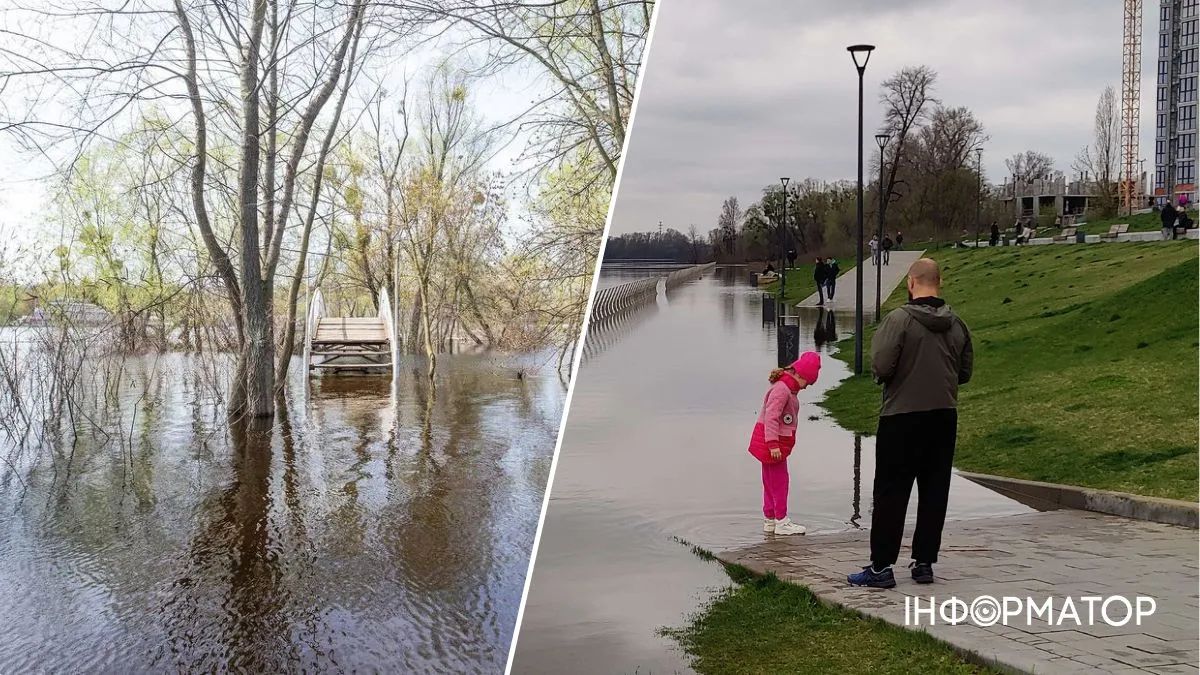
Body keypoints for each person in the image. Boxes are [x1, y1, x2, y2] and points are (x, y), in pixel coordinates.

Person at [847, 258, 973, 588]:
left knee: (891, 491)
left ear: (910, 283)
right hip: (944, 416)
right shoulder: (957, 324)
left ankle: (881, 567)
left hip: (901, 417)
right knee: (935, 490)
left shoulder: (899, 320)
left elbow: (882, 366)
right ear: (939, 282)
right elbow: (965, 373)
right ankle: (924, 562)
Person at [747, 352, 821, 536]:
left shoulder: (786, 388)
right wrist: (773, 444)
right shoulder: (782, 390)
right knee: (780, 482)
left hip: (772, 442)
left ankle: (770, 519)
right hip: (773, 444)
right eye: (808, 383)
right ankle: (781, 520)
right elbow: (772, 416)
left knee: (770, 481)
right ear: (801, 375)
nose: (806, 388)